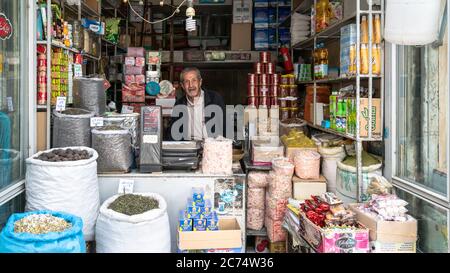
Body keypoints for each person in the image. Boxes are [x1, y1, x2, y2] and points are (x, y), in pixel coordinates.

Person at [166, 67, 226, 140]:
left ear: (200, 82)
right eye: (187, 82)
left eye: (194, 80)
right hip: (188, 147)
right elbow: (172, 133)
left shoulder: (215, 99)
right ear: (182, 86)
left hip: (211, 146)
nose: (191, 85)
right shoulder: (179, 104)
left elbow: (225, 126)